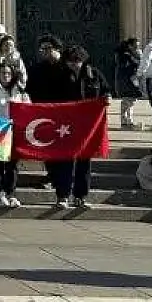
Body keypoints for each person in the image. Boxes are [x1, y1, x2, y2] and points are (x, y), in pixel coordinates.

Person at [49, 45, 110, 209]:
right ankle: (62, 195)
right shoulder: (60, 76)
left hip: (87, 125)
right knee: (65, 161)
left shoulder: (93, 74)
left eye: (78, 61)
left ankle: (80, 196)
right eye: (71, 61)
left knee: (84, 161)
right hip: (66, 124)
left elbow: (106, 91)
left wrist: (106, 99)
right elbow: (53, 98)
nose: (75, 65)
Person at [0, 62, 30, 208]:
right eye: (3, 73)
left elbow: (29, 111)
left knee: (12, 166)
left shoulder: (20, 92)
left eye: (8, 73)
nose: (6, 76)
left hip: (16, 134)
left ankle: (11, 193)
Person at [114, 38, 142, 129]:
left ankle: (126, 121)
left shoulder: (124, 55)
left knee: (128, 101)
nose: (138, 47)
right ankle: (127, 121)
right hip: (127, 81)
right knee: (128, 101)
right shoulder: (126, 56)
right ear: (130, 46)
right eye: (136, 46)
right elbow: (130, 68)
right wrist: (139, 58)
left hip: (126, 81)